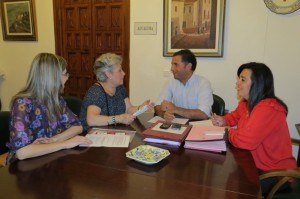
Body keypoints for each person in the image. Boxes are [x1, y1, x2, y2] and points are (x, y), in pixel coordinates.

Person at [211, 62, 297, 197]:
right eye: (239, 78)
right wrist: (224, 120)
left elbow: (245, 141)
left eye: (243, 79)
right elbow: (235, 116)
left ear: (258, 83)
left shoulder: (267, 108)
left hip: (275, 173)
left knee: (225, 187)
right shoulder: (247, 103)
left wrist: (227, 131)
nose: (237, 83)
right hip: (253, 164)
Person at [5, 53, 92, 165]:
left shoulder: (55, 99)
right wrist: (65, 143)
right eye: (65, 74)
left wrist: (54, 139)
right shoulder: (22, 104)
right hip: (25, 166)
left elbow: (77, 126)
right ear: (52, 77)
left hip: (49, 158)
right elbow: (22, 153)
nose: (67, 78)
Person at [79, 53, 153, 130]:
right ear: (108, 74)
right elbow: (91, 120)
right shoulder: (96, 92)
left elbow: (128, 109)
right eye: (119, 71)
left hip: (112, 133)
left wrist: (141, 108)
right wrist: (119, 118)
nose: (124, 73)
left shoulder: (119, 87)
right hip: (93, 136)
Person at [155, 49, 213, 121]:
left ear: (188, 66)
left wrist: (175, 109)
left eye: (176, 65)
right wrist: (164, 114)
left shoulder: (203, 83)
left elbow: (204, 114)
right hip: (177, 124)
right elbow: (157, 106)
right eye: (172, 65)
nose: (172, 69)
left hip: (197, 126)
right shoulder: (171, 82)